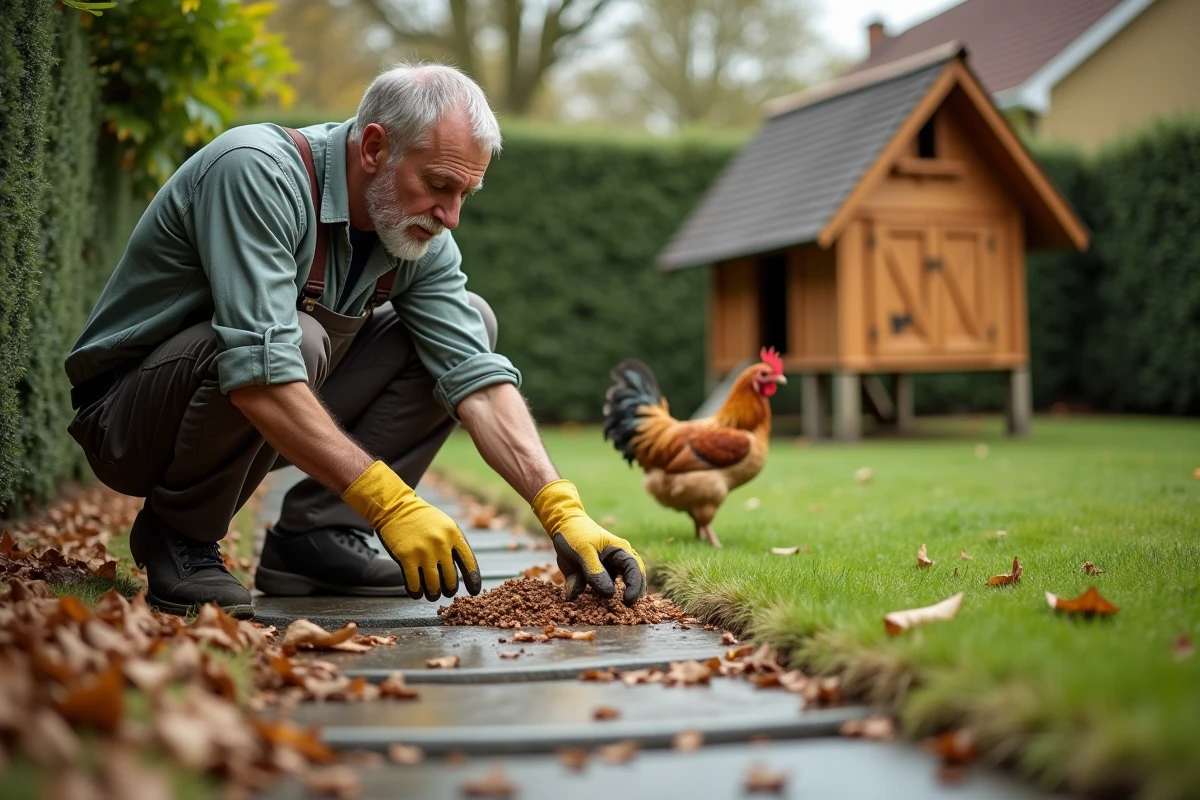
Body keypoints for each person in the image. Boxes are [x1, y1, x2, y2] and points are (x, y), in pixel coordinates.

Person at [64, 63, 645, 619]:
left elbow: (478, 379)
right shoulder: (259, 172)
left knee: (474, 320)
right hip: (128, 421)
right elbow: (261, 369)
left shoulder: (417, 238)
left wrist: (560, 508)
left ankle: (319, 538)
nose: (451, 216)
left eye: (467, 193)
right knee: (299, 337)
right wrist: (389, 501)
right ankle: (180, 534)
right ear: (373, 148)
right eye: (439, 185)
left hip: (258, 400)